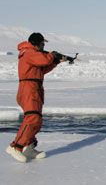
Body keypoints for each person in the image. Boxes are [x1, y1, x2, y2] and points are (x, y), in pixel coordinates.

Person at [5, 32, 66, 162]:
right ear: (36, 44)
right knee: (32, 118)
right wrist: (52, 55)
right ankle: (15, 146)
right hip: (28, 89)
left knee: (37, 121)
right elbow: (43, 60)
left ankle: (29, 147)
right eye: (42, 44)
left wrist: (55, 61)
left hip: (35, 89)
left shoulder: (34, 54)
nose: (44, 46)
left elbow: (41, 69)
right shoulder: (28, 52)